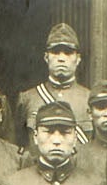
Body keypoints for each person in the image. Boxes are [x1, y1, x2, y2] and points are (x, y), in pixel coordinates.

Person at [14, 22, 94, 150]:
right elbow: (18, 145)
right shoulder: (28, 98)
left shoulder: (90, 99)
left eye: (68, 53)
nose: (61, 58)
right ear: (46, 57)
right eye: (55, 52)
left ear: (78, 59)